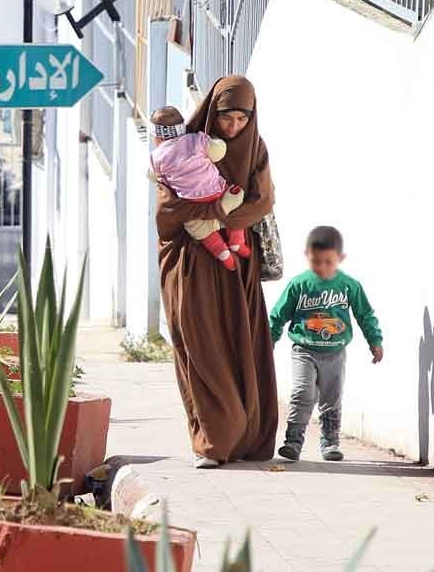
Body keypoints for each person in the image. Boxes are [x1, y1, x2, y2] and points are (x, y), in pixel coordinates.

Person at [155, 76, 278, 469]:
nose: (234, 127)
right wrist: (219, 212)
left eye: (243, 118)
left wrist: (212, 214)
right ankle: (213, 440)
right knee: (202, 348)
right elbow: (166, 213)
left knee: (241, 346)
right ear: (212, 112)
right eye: (227, 118)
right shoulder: (183, 147)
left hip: (237, 266)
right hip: (191, 267)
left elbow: (260, 202)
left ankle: (247, 437)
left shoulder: (255, 149)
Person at [269, 226, 383, 463]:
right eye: (315, 261)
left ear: (340, 258)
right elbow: (278, 315)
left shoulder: (349, 285)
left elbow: (365, 315)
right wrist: (269, 339)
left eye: (327, 262)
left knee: (332, 397)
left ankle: (330, 442)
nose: (321, 267)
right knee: (302, 393)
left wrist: (375, 340)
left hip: (335, 352)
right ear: (306, 255)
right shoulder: (299, 285)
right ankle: (293, 441)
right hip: (304, 350)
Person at [149, 106, 250, 270]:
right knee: (236, 203)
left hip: (191, 200)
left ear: (158, 137)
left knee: (195, 226)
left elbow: (156, 177)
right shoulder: (195, 140)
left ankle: (222, 252)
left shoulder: (156, 157)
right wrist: (217, 141)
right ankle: (237, 241)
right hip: (215, 190)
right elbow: (218, 151)